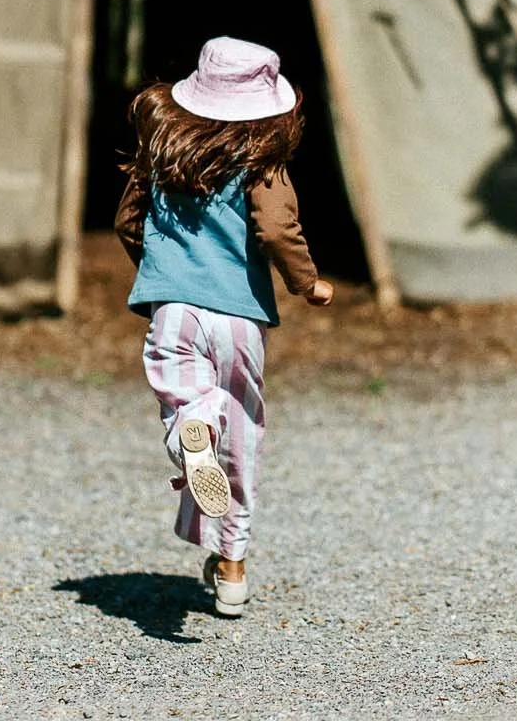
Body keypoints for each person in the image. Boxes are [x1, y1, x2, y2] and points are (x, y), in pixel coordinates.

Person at [114, 35, 334, 618]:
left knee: (185, 400)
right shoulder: (263, 163)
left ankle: (192, 430)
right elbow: (277, 231)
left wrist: (162, 270)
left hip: (175, 312)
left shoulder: (162, 154)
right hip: (239, 318)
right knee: (243, 436)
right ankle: (232, 571)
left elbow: (128, 222)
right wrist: (307, 284)